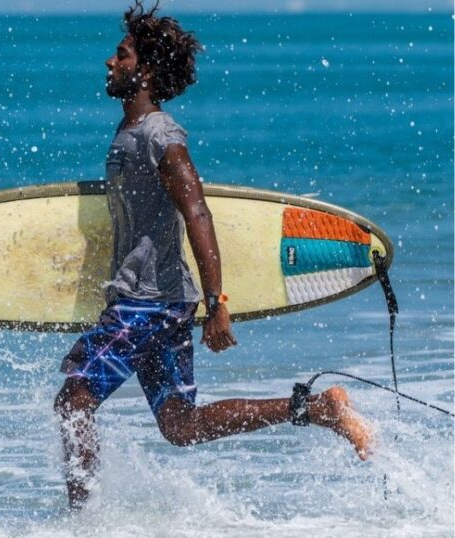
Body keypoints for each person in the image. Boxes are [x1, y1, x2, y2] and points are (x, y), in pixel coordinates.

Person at [53, 1, 373, 511]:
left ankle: (81, 521)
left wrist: (217, 301)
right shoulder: (132, 133)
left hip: (148, 303)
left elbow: (197, 215)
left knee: (74, 400)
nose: (111, 64)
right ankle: (317, 409)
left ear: (146, 71)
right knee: (181, 426)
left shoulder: (162, 137)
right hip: (157, 301)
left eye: (122, 55)